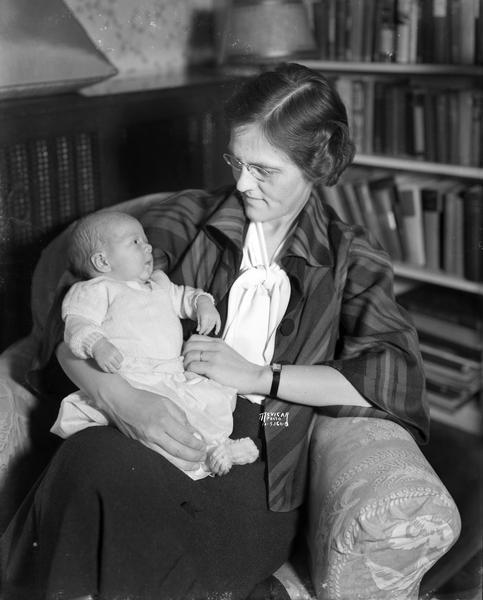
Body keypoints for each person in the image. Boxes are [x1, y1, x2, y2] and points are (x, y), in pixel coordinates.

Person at [0, 63, 428, 600]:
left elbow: (386, 377)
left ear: (316, 164)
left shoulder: (351, 259)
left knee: (94, 470)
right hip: (144, 411)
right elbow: (76, 325)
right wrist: (123, 398)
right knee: (94, 460)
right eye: (236, 161)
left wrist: (256, 374)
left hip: (253, 452)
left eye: (265, 170)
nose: (243, 183)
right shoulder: (184, 220)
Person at [50, 210, 258, 479]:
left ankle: (218, 448)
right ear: (102, 261)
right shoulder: (96, 289)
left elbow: (186, 297)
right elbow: (78, 323)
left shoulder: (158, 284)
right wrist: (97, 344)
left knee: (203, 406)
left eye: (145, 239)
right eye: (134, 242)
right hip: (134, 378)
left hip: (172, 373)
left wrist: (203, 305)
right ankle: (204, 458)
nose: (147, 246)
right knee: (162, 427)